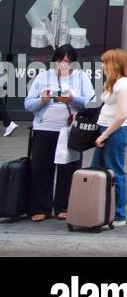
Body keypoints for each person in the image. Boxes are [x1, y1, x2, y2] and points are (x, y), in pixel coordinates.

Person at [24, 45, 94, 221]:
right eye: (60, 61)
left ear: (73, 63)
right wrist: (42, 100)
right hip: (44, 128)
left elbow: (92, 103)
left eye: (67, 61)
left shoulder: (81, 78)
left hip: (70, 130)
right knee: (41, 168)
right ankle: (40, 208)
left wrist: (73, 99)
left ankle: (63, 206)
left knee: (68, 168)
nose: (63, 64)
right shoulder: (43, 77)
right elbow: (28, 104)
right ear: (54, 61)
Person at [91, 49, 127, 227]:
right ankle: (102, 209)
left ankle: (118, 214)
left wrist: (105, 134)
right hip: (108, 130)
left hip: (115, 132)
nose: (102, 66)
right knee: (99, 170)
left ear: (113, 64)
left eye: (105, 63)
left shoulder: (122, 84)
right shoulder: (115, 82)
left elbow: (122, 114)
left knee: (115, 171)